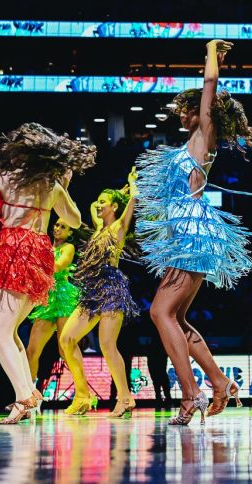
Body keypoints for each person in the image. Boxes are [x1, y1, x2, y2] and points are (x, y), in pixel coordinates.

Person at [135, 39, 252, 426]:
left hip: (192, 233)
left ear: (202, 113)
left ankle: (191, 394)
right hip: (188, 233)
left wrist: (211, 52)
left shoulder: (204, 135)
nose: (181, 113)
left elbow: (209, 84)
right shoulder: (192, 141)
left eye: (187, 109)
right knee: (173, 317)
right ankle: (219, 381)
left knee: (159, 312)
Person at [0, 122, 95, 424]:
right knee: (9, 332)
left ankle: (24, 397)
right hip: (39, 253)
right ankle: (27, 395)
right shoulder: (51, 186)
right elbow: (75, 221)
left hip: (14, 250)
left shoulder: (7, 177)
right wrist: (64, 187)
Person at [60, 172, 142, 418]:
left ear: (114, 207)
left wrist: (132, 187)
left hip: (110, 289)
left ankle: (125, 397)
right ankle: (84, 395)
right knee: (66, 340)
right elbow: (92, 206)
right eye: (97, 201)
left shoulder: (117, 227)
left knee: (107, 345)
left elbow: (131, 204)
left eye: (103, 202)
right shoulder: (98, 229)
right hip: (91, 292)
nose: (98, 204)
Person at [24, 219, 82, 389]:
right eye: (56, 225)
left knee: (64, 350)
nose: (57, 228)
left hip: (63, 297)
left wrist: (39, 255)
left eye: (63, 226)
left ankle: (82, 392)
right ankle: (29, 394)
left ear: (70, 232)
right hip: (46, 298)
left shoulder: (68, 248)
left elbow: (58, 266)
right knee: (32, 351)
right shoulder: (47, 246)